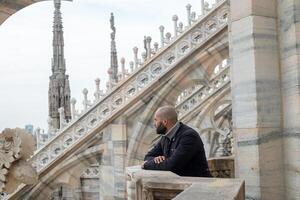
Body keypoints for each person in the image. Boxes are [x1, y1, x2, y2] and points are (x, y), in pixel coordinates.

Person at [142, 105, 211, 177]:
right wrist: (156, 159)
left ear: (165, 122)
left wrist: (147, 164)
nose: (154, 124)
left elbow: (172, 166)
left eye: (156, 120)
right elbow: (148, 156)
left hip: (198, 184)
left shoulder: (189, 136)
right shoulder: (165, 137)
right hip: (182, 183)